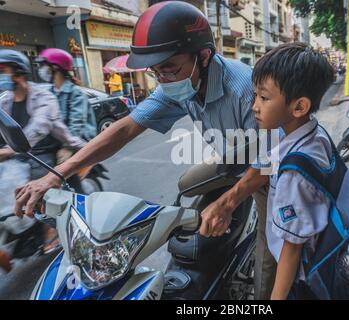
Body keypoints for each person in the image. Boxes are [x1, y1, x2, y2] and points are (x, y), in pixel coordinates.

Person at [13, 1, 274, 299]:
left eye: (169, 69)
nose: (162, 79)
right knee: (186, 190)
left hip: (267, 167)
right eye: (155, 73)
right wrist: (57, 174)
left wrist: (227, 204)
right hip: (235, 156)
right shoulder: (178, 81)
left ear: (203, 56)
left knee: (272, 251)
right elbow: (124, 129)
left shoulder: (244, 89)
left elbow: (269, 158)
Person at [202, 43, 335, 300]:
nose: (254, 106)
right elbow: (266, 163)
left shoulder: (294, 175)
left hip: (302, 276)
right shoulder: (309, 133)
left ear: (299, 107)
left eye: (264, 98)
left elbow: (292, 249)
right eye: (255, 96)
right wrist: (228, 202)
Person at [0, 49, 85, 254]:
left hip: (45, 149)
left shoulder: (43, 95)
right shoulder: (5, 99)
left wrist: (8, 150)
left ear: (18, 72)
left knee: (38, 180)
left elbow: (38, 128)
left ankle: (52, 228)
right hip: (19, 153)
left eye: (3, 71)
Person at [36, 48, 97, 192]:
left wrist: (67, 148)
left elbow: (77, 123)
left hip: (77, 141)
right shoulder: (48, 92)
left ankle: (82, 205)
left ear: (55, 68)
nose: (41, 70)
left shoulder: (75, 93)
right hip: (58, 140)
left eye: (44, 66)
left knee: (65, 173)